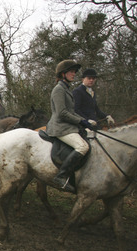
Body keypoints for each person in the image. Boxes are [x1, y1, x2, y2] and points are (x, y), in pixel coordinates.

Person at [45, 60, 94, 193]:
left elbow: (71, 112)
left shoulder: (67, 89)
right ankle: (61, 176)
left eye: (74, 72)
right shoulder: (58, 90)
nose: (74, 74)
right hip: (60, 127)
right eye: (71, 71)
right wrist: (81, 121)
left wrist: (85, 121)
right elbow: (61, 113)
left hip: (69, 126)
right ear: (63, 73)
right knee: (83, 147)